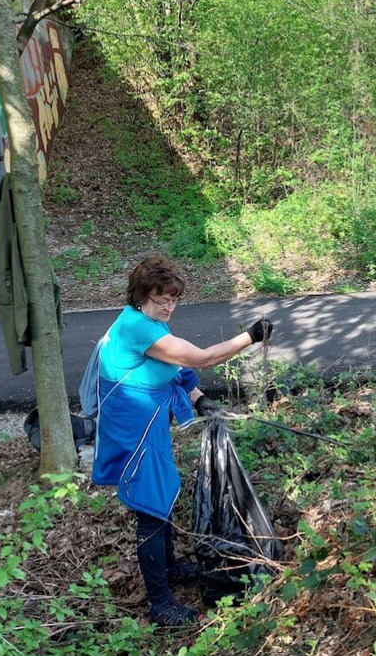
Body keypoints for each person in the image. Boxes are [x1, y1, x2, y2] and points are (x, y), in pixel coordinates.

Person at [91, 254, 273, 627]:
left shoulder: (145, 322)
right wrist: (249, 337)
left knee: (163, 494)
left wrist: (197, 399)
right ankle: (160, 603)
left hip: (148, 418)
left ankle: (170, 567)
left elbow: (168, 367)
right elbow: (201, 358)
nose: (170, 306)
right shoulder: (140, 327)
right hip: (133, 426)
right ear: (142, 296)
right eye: (163, 300)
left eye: (175, 299)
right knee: (151, 507)